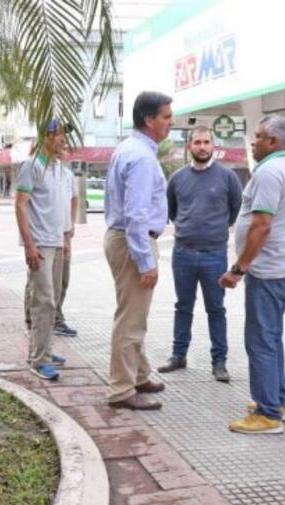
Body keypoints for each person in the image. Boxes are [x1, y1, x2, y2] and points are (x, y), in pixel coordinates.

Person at [219, 115, 285, 435]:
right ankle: (277, 400)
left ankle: (268, 414)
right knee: (271, 337)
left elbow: (262, 225)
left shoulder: (270, 172)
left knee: (260, 340)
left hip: (270, 269)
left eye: (258, 137)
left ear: (273, 142)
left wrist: (238, 269)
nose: (253, 142)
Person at [104, 91, 173, 411]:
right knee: (131, 319)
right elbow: (135, 215)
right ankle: (121, 389)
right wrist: (146, 261)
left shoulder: (130, 149)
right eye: (166, 117)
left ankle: (139, 374)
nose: (170, 123)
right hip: (134, 242)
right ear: (149, 120)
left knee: (135, 313)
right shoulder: (141, 157)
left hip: (126, 239)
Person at [158, 125, 242, 382]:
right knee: (183, 306)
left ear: (213, 146)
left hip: (214, 254)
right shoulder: (178, 178)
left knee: (216, 309)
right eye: (197, 142)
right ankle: (178, 355)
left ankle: (219, 362)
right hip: (183, 253)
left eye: (206, 142)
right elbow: (171, 210)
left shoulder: (228, 178)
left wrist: (213, 229)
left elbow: (234, 209)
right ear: (189, 146)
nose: (202, 147)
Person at [16, 118, 69, 381]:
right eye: (58, 134)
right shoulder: (32, 165)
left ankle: (44, 350)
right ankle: (38, 361)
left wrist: (66, 240)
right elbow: (21, 205)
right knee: (43, 301)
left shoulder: (57, 168)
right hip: (40, 245)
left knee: (53, 300)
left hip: (56, 243)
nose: (63, 139)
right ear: (46, 136)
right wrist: (29, 245)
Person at [54, 146, 79, 337]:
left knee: (63, 278)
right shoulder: (38, 170)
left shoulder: (67, 175)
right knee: (43, 282)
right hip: (46, 236)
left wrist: (70, 228)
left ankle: (57, 317)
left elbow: (74, 199)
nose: (61, 149)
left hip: (63, 233)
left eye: (63, 146)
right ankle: (34, 319)